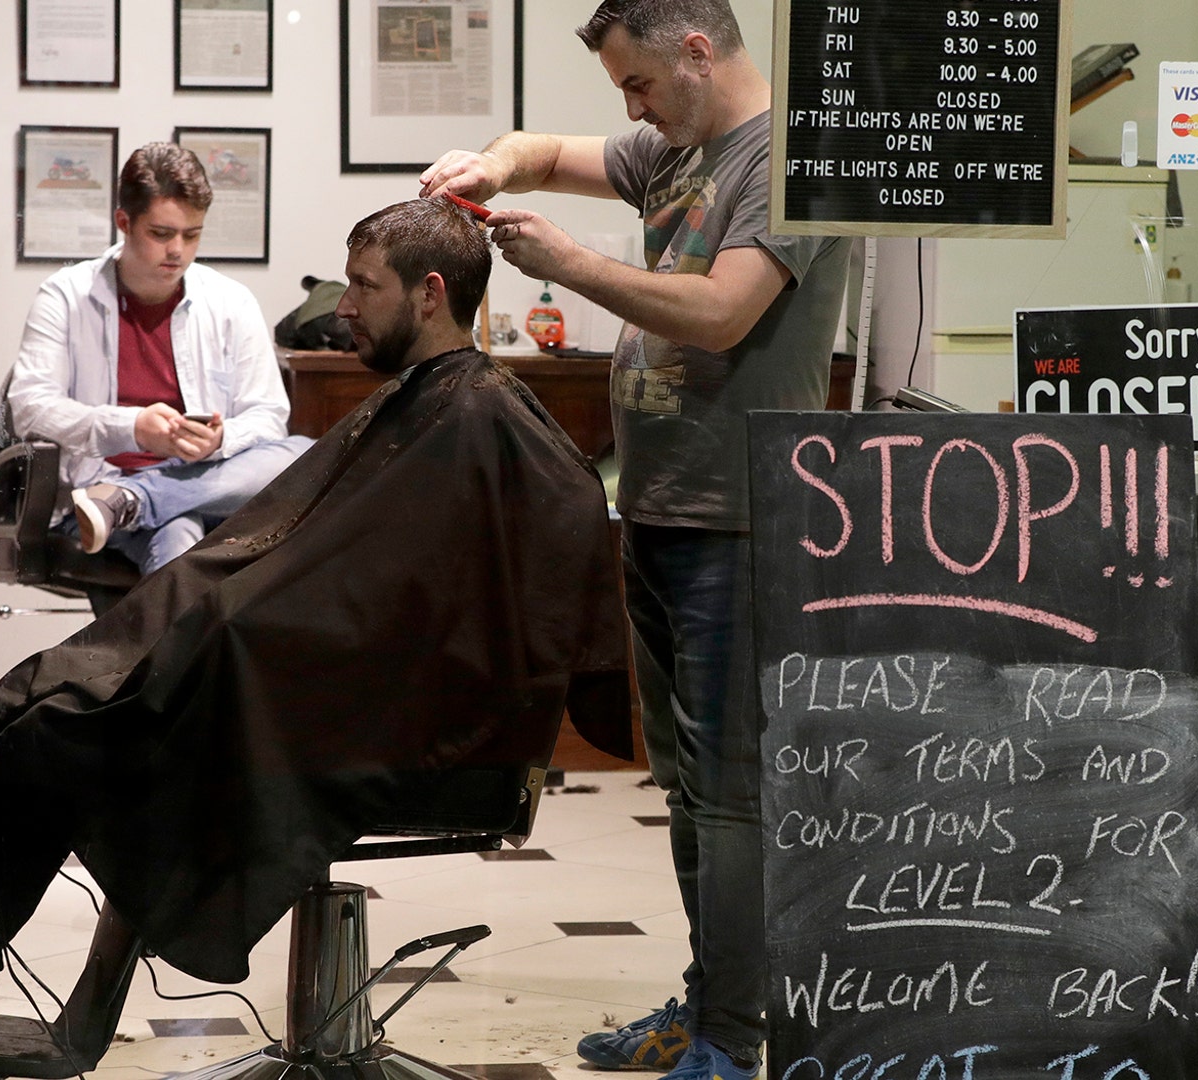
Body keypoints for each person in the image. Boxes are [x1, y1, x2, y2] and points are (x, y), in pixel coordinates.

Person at [0, 198, 631, 1028]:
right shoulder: (437, 402)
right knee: (31, 697)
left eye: (363, 285)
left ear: (429, 293)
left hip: (381, 727)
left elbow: (449, 583)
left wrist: (222, 636)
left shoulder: (478, 414)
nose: (343, 306)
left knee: (52, 730)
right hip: (337, 690)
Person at [419, 3, 850, 1078]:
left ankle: (733, 1039)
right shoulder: (674, 148)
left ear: (697, 51)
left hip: (738, 519)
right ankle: (708, 1004)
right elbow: (542, 152)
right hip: (659, 509)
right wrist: (489, 166)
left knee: (732, 797)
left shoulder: (787, 163)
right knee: (688, 791)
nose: (633, 110)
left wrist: (566, 261)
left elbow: (720, 312)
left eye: (640, 85)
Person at [5, 142, 313, 575]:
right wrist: (132, 429)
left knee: (303, 455)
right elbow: (30, 409)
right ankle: (130, 498)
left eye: (192, 234)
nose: (178, 251)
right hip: (98, 486)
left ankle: (133, 500)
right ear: (124, 222)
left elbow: (268, 418)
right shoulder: (65, 296)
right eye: (162, 234)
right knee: (181, 532)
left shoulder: (232, 301)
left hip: (204, 481)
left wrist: (219, 441)